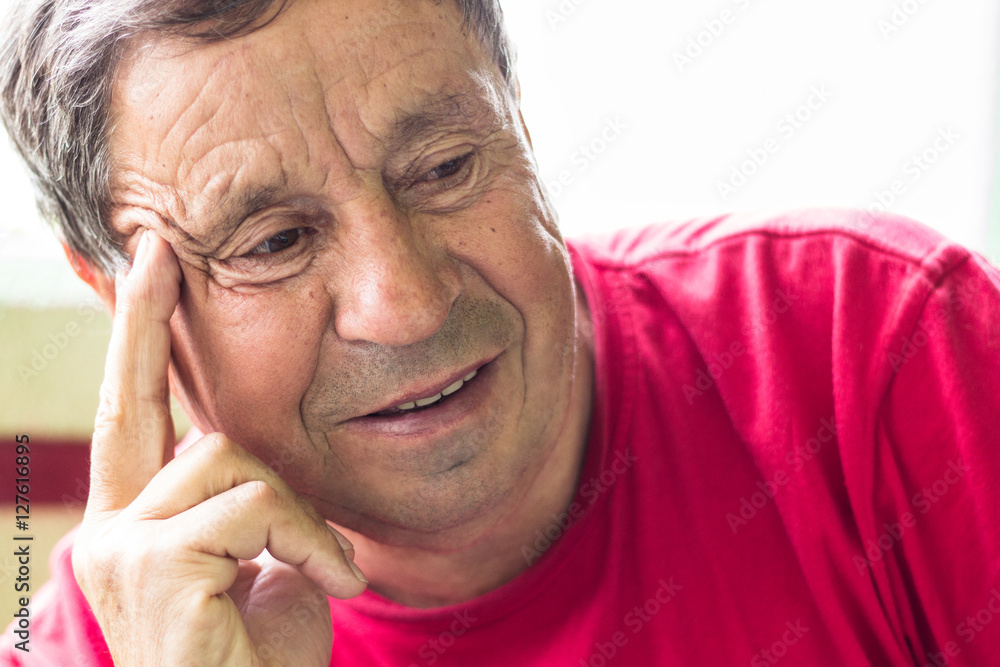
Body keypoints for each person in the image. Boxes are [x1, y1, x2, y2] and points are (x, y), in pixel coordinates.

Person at [2, 0, 999, 665]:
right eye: (274, 240)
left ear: (518, 122)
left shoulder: (884, 349)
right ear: (121, 296)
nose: (407, 302)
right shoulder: (103, 641)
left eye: (442, 167)